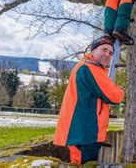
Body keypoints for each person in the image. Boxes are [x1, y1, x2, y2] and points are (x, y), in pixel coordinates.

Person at [53, 37, 124, 165]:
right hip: (84, 132)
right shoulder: (90, 69)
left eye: (110, 53)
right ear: (93, 50)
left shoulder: (86, 66)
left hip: (83, 130)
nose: (107, 54)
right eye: (104, 50)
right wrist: (120, 90)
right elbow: (115, 96)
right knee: (83, 163)